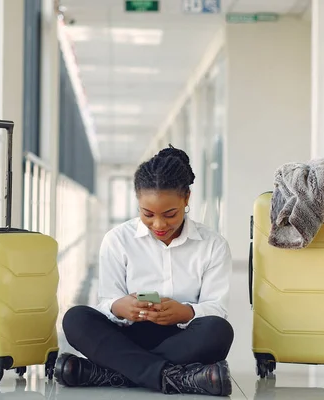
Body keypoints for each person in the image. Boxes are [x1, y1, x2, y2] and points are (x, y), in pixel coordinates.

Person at [55, 145, 234, 396]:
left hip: (181, 338)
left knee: (218, 331)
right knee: (76, 319)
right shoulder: (118, 239)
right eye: (147, 214)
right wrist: (121, 307)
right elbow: (108, 300)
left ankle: (111, 373)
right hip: (128, 335)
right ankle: (175, 378)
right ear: (137, 201)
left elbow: (217, 307)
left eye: (170, 214)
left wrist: (184, 311)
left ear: (186, 199)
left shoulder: (213, 245)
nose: (159, 224)